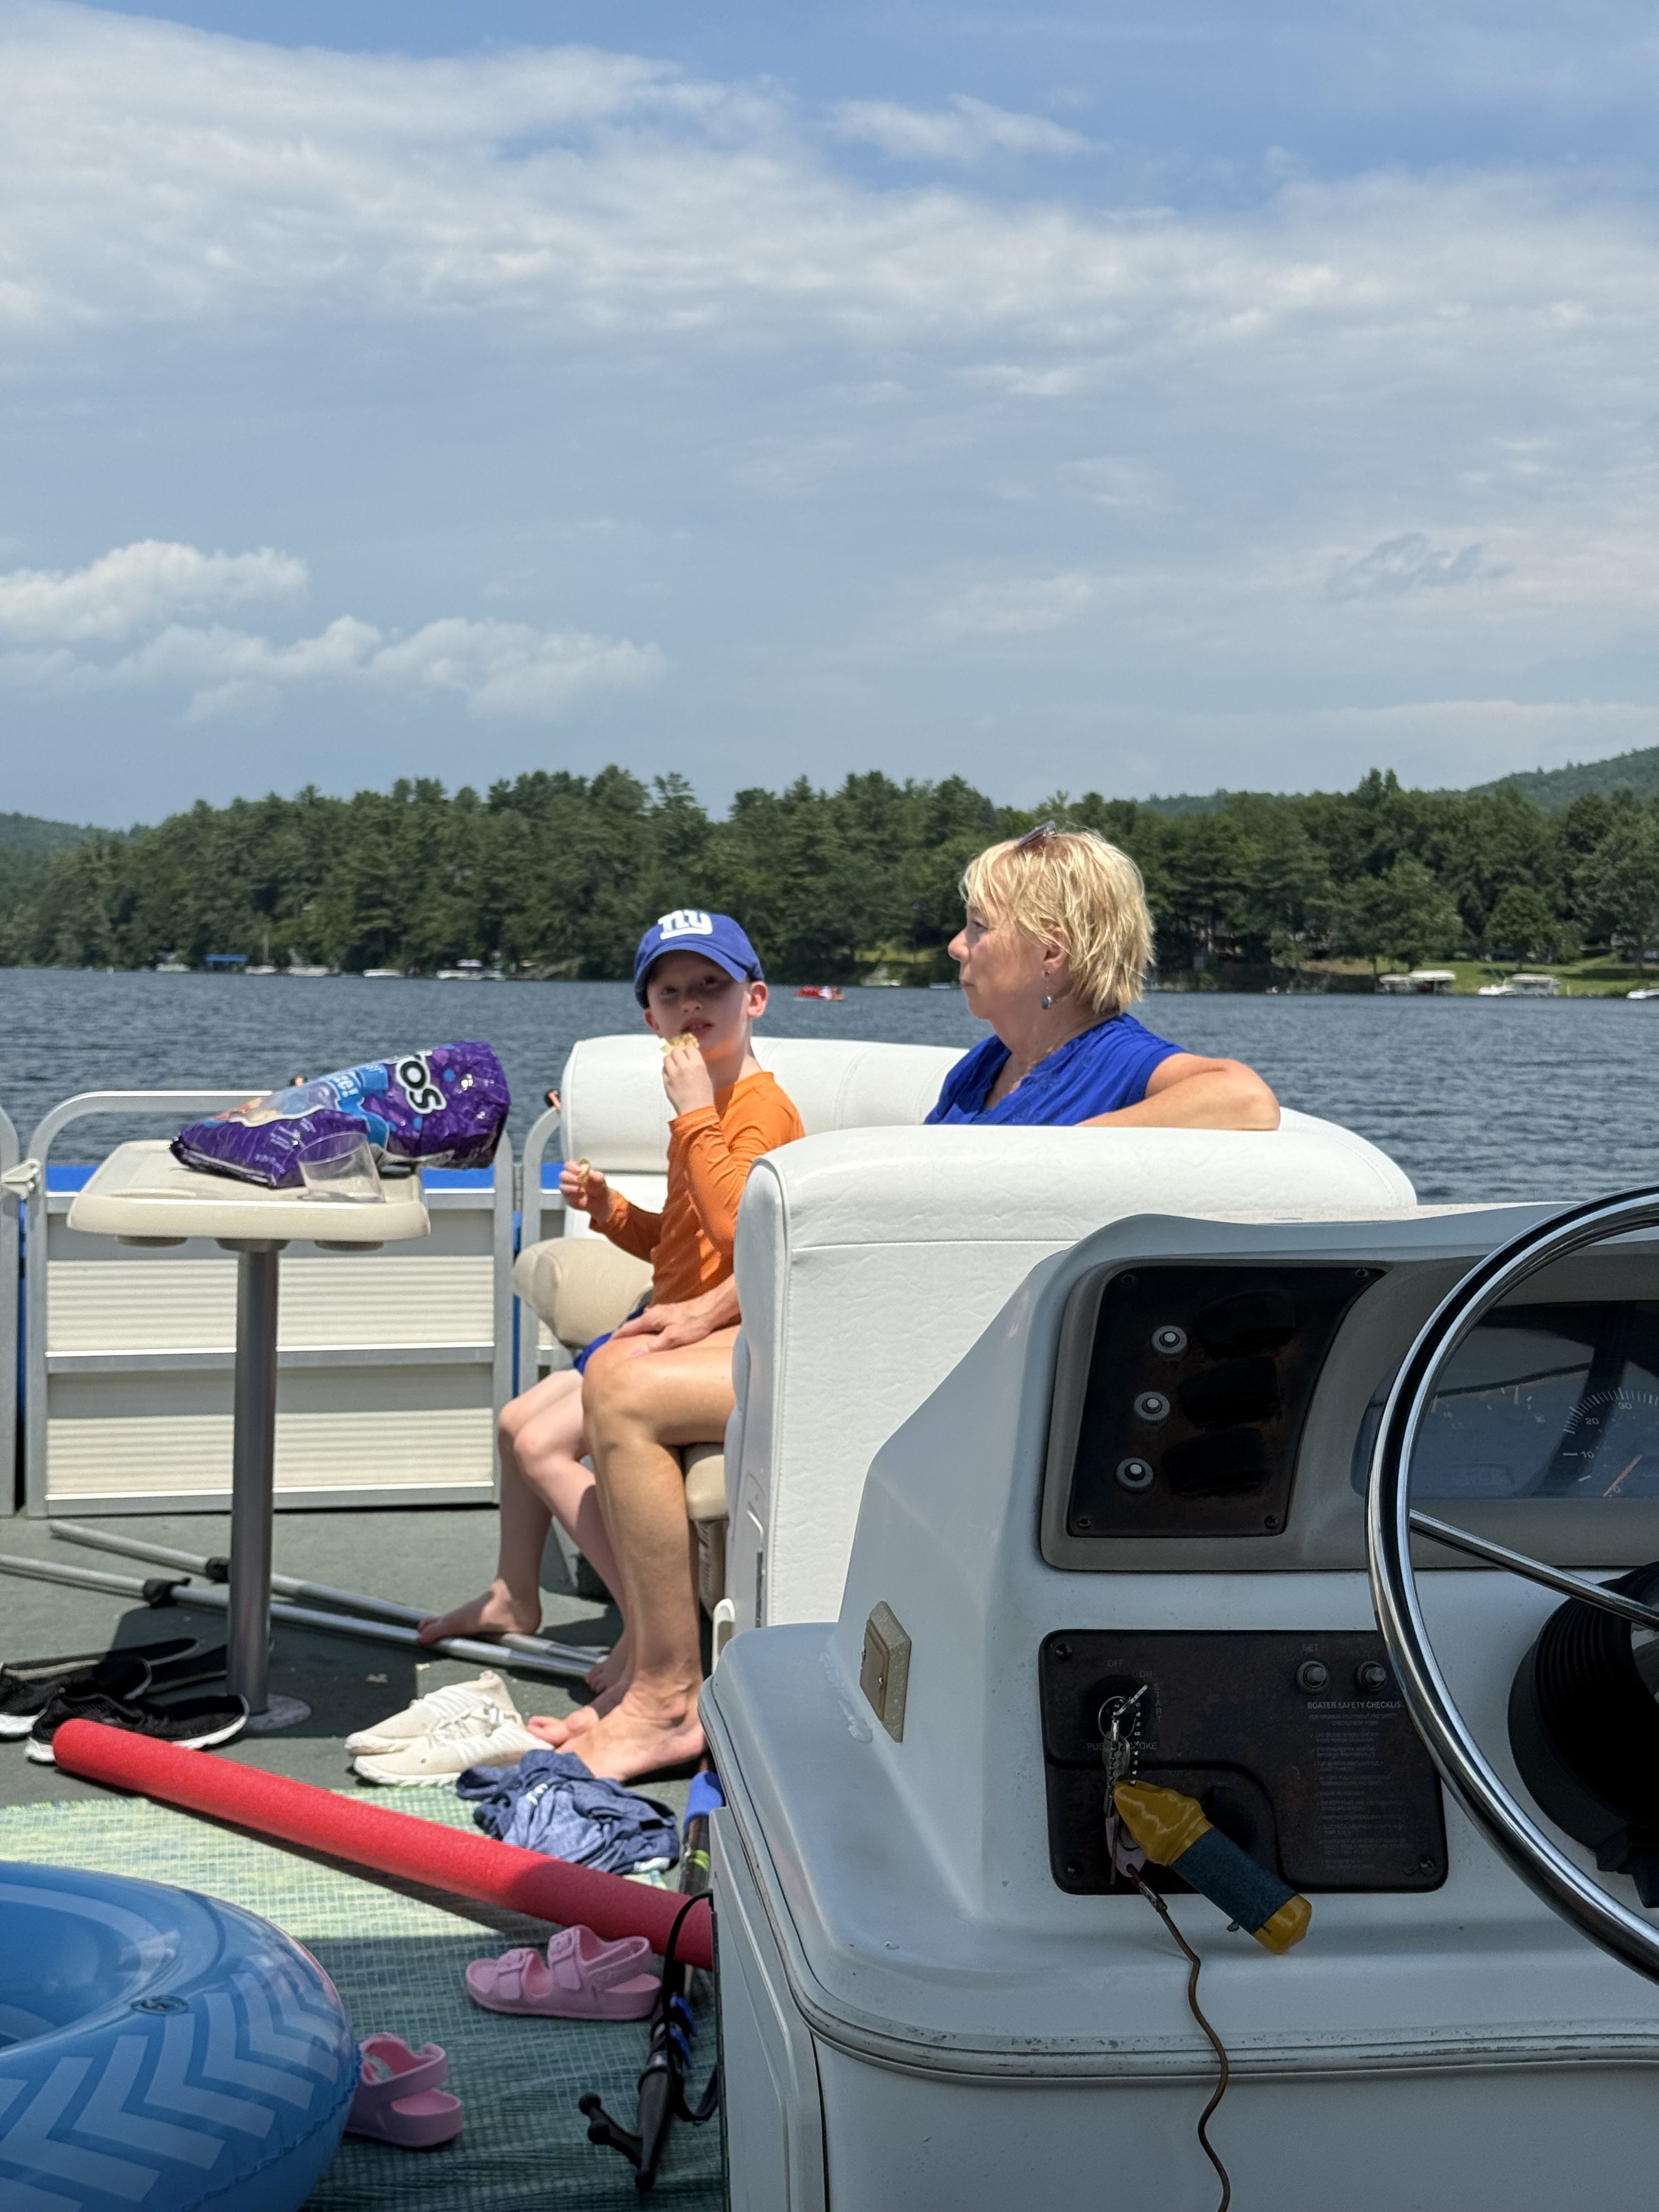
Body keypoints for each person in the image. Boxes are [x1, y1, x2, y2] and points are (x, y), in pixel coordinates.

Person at [550, 823, 1277, 1786]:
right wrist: (716, 1306)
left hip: (958, 1377)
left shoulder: (1118, 1060)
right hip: (889, 1338)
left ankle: (668, 1697)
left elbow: (1243, 1101)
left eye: (979, 926)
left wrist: (1037, 1166)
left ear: (1051, 952)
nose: (957, 945)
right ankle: (650, 1670)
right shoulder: (984, 1070)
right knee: (624, 1364)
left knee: (621, 1391)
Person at [417, 911, 804, 1697]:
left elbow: (740, 1228)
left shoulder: (758, 1109)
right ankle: (514, 1594)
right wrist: (609, 1210)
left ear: (755, 999)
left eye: (712, 987)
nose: (691, 1005)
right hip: (671, 1315)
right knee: (515, 1422)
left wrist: (693, 1112)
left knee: (541, 1446)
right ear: (652, 1019)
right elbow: (681, 1241)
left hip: (724, 1335)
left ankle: (651, 1625)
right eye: (671, 993)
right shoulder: (707, 1108)